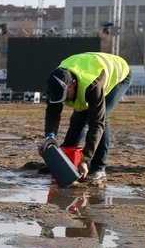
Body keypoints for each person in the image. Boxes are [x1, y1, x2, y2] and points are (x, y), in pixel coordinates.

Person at [39, 52, 131, 186]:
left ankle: (99, 169)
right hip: (87, 69)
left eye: (65, 95)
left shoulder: (92, 85)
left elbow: (96, 124)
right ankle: (66, 160)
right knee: (77, 120)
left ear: (73, 84)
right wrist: (50, 136)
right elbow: (53, 112)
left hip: (119, 75)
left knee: (101, 118)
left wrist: (85, 158)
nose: (64, 100)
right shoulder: (56, 82)